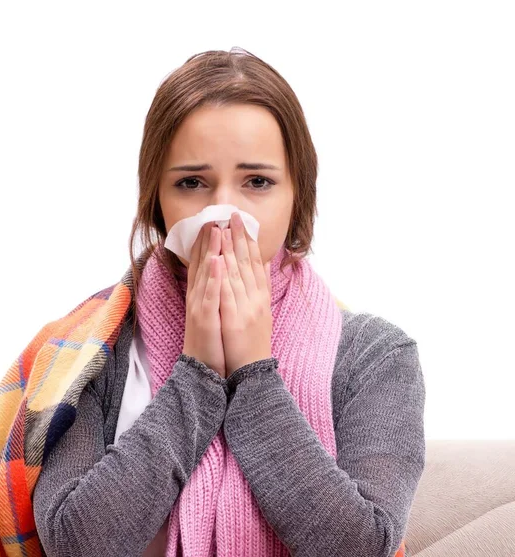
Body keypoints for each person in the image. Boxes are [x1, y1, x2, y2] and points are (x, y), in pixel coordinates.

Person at [31, 47, 425, 557]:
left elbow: (361, 547)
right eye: (191, 183)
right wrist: (195, 373)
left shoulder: (377, 357)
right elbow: (73, 544)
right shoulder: (91, 348)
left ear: (297, 198)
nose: (223, 215)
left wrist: (254, 372)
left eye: (257, 182)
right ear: (156, 201)